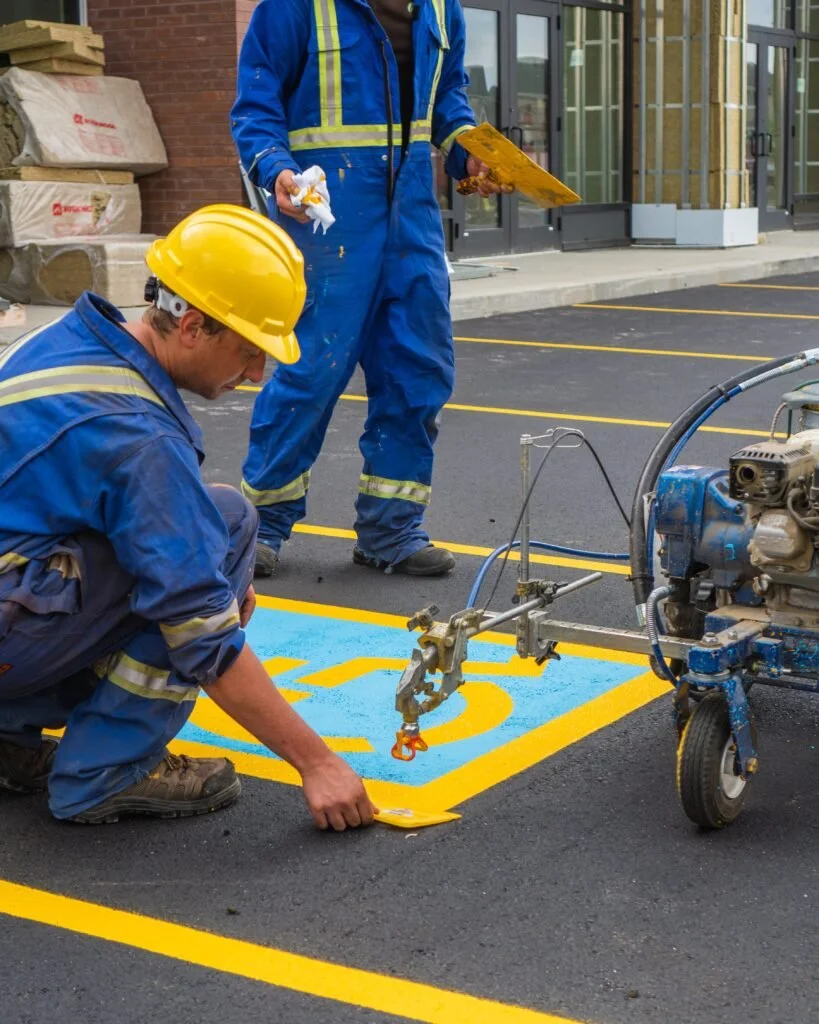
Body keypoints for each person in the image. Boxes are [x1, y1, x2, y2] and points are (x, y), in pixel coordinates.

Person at [0, 204, 376, 831]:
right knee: (222, 531)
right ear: (194, 325)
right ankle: (104, 772)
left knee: (205, 527)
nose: (256, 374)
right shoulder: (136, 436)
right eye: (251, 351)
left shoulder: (68, 340)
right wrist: (318, 763)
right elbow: (204, 637)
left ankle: (8, 739)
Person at [231, 0, 502, 580]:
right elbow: (256, 106)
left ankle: (392, 531)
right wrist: (274, 168)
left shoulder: (440, 10)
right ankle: (259, 527)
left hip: (413, 217)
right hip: (328, 217)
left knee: (418, 372)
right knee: (309, 373)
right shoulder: (292, 7)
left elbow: (445, 99)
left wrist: (467, 152)